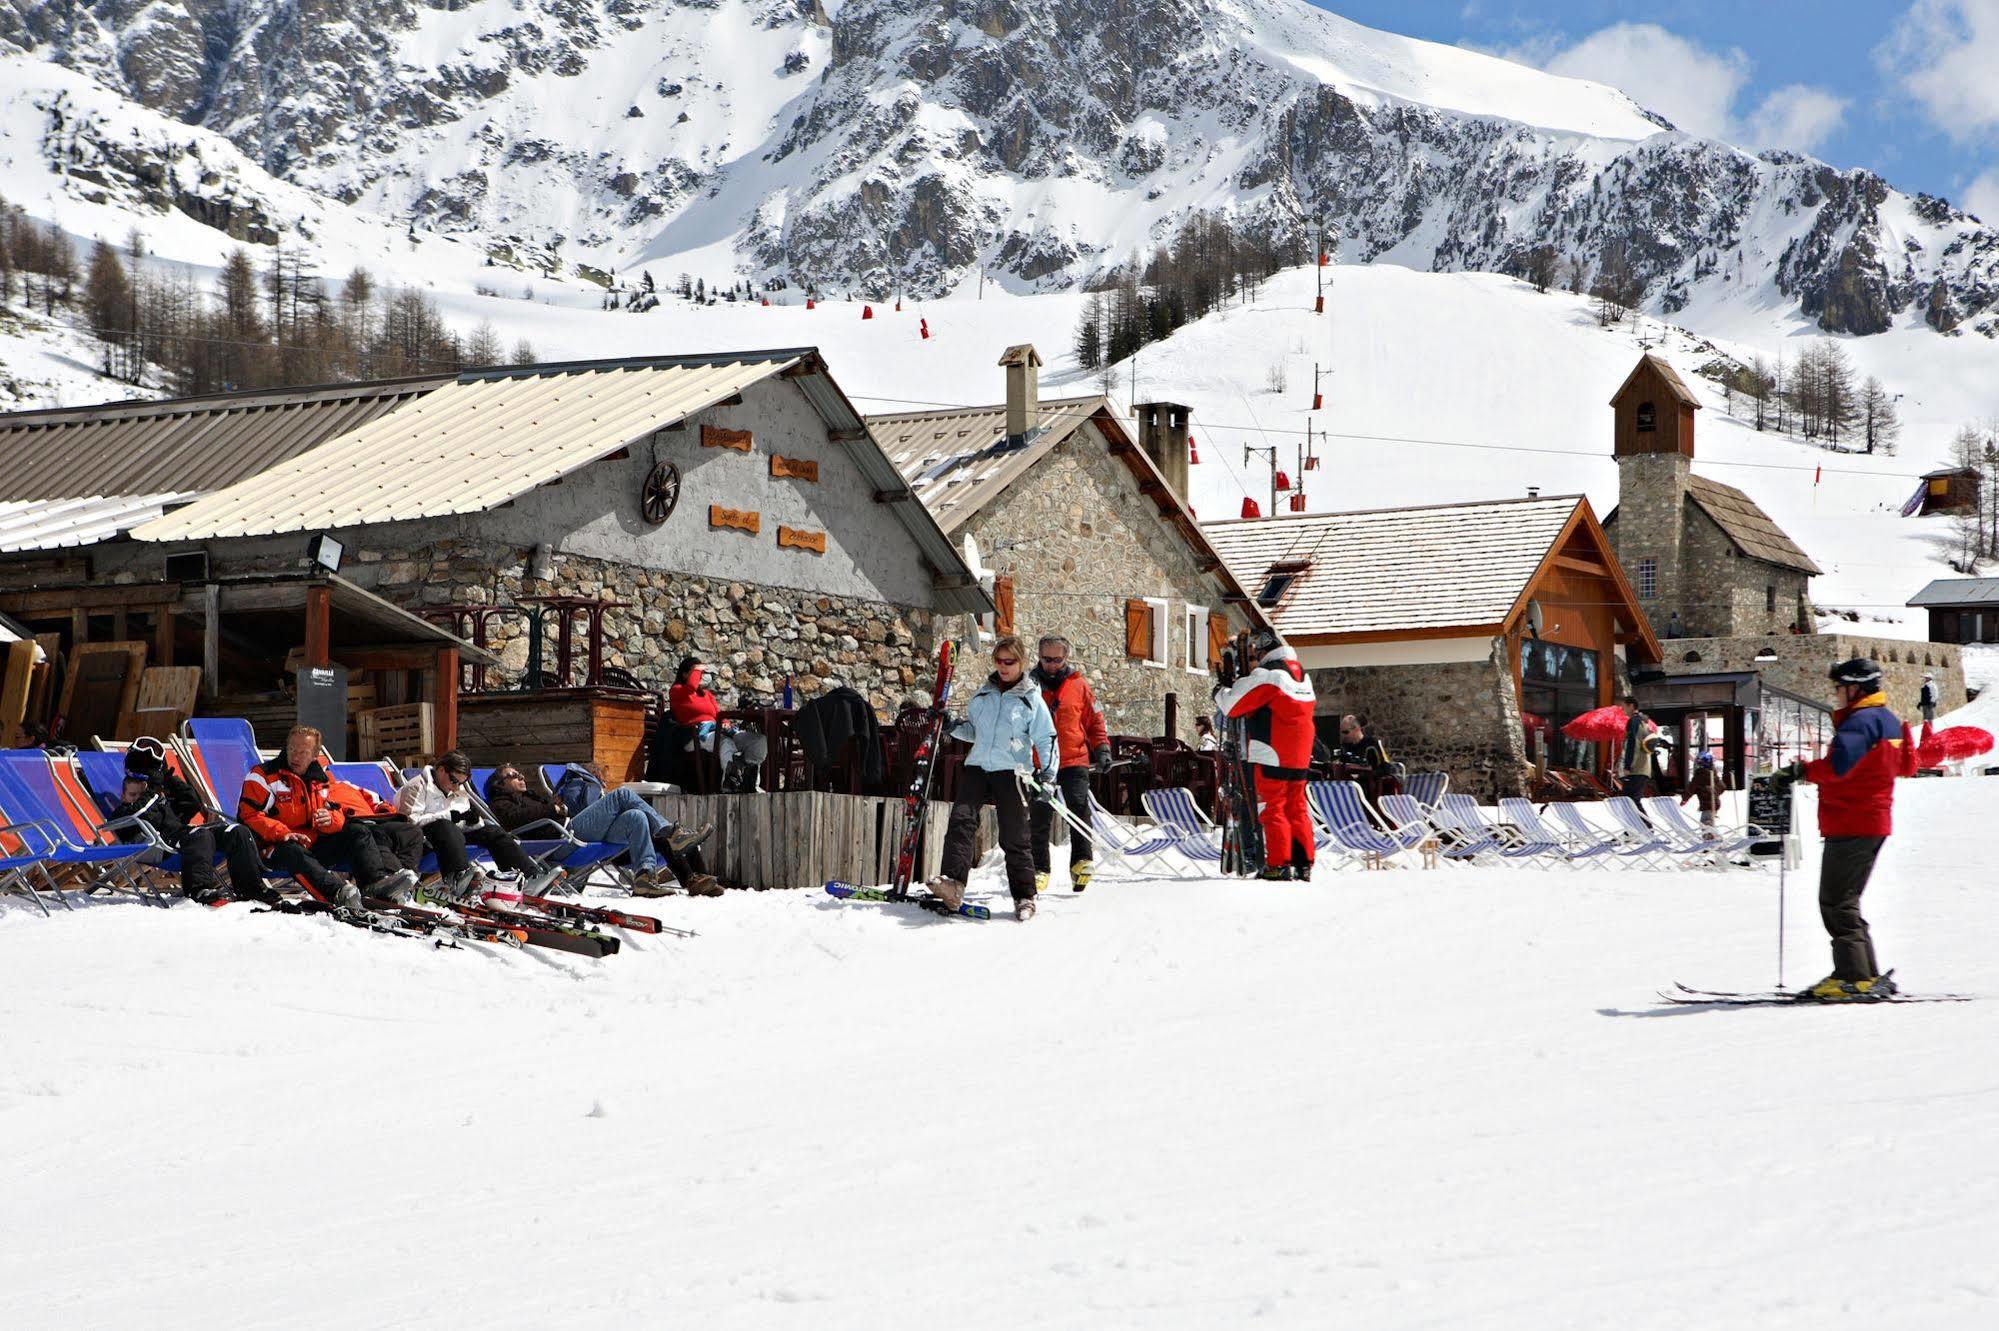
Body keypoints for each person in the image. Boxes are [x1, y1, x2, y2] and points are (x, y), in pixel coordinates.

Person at [1770, 658, 1916, 1001]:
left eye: (1838, 688)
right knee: (1845, 901)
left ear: (1855, 688)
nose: (1835, 695)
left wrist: (1798, 771)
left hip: (1853, 820)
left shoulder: (1860, 722)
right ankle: (1863, 974)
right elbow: (1907, 765)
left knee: (1837, 903)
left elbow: (1838, 767)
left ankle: (1853, 976)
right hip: (1868, 820)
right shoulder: (1885, 719)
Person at [928, 635, 1056, 921]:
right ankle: (953, 883)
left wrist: (1048, 776)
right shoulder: (983, 694)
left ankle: (1024, 896)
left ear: (1021, 662)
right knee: (961, 821)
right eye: (998, 661)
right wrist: (951, 725)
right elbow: (974, 732)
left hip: (1011, 770)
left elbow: (1046, 739)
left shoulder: (1030, 699)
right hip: (978, 766)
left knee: (1014, 835)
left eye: (1009, 661)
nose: (1003, 667)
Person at [237, 725, 418, 912]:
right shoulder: (262, 776)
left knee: (357, 830)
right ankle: (337, 893)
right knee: (293, 850)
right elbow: (248, 816)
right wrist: (284, 833)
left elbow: (338, 812)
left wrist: (330, 820)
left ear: (315, 756)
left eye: (303, 752)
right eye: (291, 749)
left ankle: (375, 885)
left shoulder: (320, 779)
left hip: (314, 844)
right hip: (273, 846)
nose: (295, 756)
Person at [485, 764, 719, 896]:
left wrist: (554, 807)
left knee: (636, 816)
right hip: (562, 840)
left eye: (519, 773)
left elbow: (551, 809)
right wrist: (554, 808)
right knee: (623, 794)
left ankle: (644, 878)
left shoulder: (529, 796)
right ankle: (672, 834)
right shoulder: (500, 804)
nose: (520, 776)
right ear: (500, 785)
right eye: (513, 775)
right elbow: (516, 821)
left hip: (570, 830)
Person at [110, 740, 271, 905]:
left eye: (141, 794)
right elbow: (141, 809)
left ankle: (251, 888)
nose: (138, 798)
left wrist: (167, 778)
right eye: (133, 795)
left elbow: (191, 803)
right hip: (161, 848)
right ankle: (198, 889)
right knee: (201, 835)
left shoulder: (158, 803)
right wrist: (153, 791)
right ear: (122, 796)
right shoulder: (123, 814)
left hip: (186, 840)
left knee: (237, 831)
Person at [1215, 628, 1318, 881]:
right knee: (1297, 807)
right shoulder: (1302, 675)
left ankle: (1278, 864)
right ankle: (1302, 863)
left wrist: (1219, 691)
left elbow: (1232, 705)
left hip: (1272, 750)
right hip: (1300, 754)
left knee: (1273, 807)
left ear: (1263, 651)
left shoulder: (1269, 675)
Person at [397, 751, 563, 899]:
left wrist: (472, 822)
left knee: (492, 831)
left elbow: (460, 819)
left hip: (453, 836)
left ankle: (528, 878)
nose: (456, 786)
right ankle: (458, 876)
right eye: (454, 780)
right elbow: (408, 822)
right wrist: (448, 816)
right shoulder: (417, 786)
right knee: (445, 825)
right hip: (425, 839)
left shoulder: (457, 790)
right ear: (441, 769)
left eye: (460, 783)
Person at [1028, 634, 1111, 893]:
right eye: (1046, 659)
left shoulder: (1080, 686)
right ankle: (1039, 868)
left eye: (1057, 659)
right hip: (1040, 761)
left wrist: (1102, 749)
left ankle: (1082, 862)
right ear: (1039, 657)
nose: (1051, 665)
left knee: (1078, 808)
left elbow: (1095, 721)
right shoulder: (1028, 685)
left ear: (1067, 658)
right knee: (1040, 816)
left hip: (1074, 757)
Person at [669, 656, 767, 793]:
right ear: (685, 674)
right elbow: (691, 686)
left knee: (758, 741)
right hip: (695, 734)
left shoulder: (707, 694)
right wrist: (698, 668)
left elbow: (719, 715)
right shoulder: (677, 690)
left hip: (717, 730)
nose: (700, 675)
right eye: (696, 672)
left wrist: (726, 724)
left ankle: (750, 784)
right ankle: (730, 785)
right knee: (725, 742)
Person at [1614, 696, 1652, 805]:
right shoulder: (1643, 721)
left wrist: (1627, 766)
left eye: (1624, 707)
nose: (1622, 710)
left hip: (1635, 770)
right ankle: (1644, 822)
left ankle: (1645, 822)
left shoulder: (1634, 721)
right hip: (1643, 768)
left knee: (1629, 803)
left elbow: (1632, 744)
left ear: (1631, 706)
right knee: (1632, 802)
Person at [1680, 751, 1725, 832]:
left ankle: (1712, 840)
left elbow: (1691, 789)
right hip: (1715, 803)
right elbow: (1722, 787)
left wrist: (1684, 799)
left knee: (1705, 824)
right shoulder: (1713, 774)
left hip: (1707, 805)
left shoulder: (1699, 776)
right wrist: (1715, 792)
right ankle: (1712, 838)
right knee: (1709, 822)